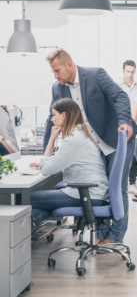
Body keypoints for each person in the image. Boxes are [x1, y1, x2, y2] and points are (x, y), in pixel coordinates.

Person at [44, 49, 137, 245]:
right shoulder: (58, 88)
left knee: (117, 188)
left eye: (57, 70)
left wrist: (124, 121)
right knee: (101, 190)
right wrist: (45, 153)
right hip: (94, 147)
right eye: (53, 72)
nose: (55, 76)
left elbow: (121, 97)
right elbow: (50, 120)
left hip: (117, 139)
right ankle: (101, 233)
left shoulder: (96, 75)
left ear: (69, 65)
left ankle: (115, 236)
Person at [30, 98, 109, 229]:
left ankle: (24, 233)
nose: (51, 119)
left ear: (64, 115)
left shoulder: (73, 139)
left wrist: (52, 138)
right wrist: (50, 162)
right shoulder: (82, 133)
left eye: (54, 114)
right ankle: (28, 231)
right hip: (96, 192)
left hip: (89, 195)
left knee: (28, 198)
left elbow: (46, 170)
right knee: (45, 199)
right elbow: (64, 162)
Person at [118, 60, 137, 195]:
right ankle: (120, 183)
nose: (130, 74)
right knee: (120, 154)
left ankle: (132, 183)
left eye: (132, 71)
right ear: (123, 71)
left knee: (134, 155)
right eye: (127, 71)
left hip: (136, 124)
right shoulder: (117, 86)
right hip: (121, 123)